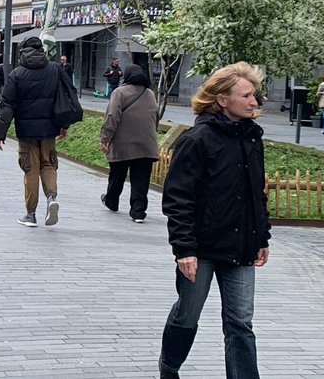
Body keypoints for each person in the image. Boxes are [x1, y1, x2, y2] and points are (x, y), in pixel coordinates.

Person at [159, 62, 270, 379]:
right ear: (222, 99)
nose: (254, 102)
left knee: (240, 322)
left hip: (241, 246)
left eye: (255, 95)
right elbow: (177, 198)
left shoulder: (251, 138)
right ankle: (169, 366)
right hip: (201, 247)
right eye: (246, 95)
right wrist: (184, 249)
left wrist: (261, 238)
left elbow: (255, 193)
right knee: (188, 314)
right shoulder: (198, 140)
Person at [0, 36, 77, 228]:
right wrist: (64, 124)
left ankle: (30, 214)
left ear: (23, 52)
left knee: (30, 169)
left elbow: (7, 105)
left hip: (26, 131)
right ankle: (51, 199)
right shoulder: (55, 70)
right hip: (50, 129)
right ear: (42, 50)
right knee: (48, 164)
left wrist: (1, 133)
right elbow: (66, 96)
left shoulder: (17, 74)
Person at [98, 64, 160, 223]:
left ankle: (112, 201)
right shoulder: (150, 94)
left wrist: (105, 138)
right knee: (141, 179)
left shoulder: (119, 92)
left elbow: (112, 117)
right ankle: (138, 212)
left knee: (117, 174)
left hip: (122, 144)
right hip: (146, 145)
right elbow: (155, 117)